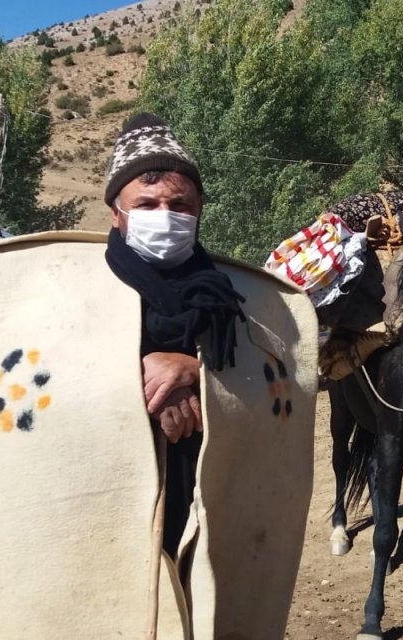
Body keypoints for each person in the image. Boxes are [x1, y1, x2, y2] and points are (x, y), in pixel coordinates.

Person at [102, 112, 246, 555]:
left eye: (179, 205)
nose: (165, 216)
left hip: (215, 492)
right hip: (107, 496)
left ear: (198, 208)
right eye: (146, 205)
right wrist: (137, 371)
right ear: (117, 214)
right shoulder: (78, 290)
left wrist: (194, 368)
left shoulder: (232, 296)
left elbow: (275, 375)